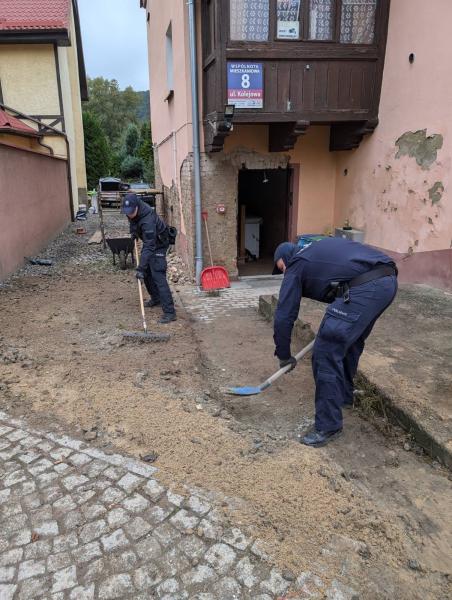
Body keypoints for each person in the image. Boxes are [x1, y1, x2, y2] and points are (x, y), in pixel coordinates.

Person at [272, 237, 398, 447]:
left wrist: (284, 355)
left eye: (281, 267)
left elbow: (284, 315)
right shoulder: (315, 254)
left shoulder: (297, 263)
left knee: (325, 353)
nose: (285, 273)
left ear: (287, 258)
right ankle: (343, 397)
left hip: (366, 286)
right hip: (387, 281)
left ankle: (328, 426)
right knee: (349, 343)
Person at [122, 193, 176, 324]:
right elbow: (132, 221)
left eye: (131, 212)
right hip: (150, 243)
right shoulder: (131, 210)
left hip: (159, 244)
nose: (129, 214)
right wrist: (134, 232)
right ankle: (156, 298)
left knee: (157, 274)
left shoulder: (148, 221)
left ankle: (170, 312)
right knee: (146, 273)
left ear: (137, 207)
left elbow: (149, 246)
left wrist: (140, 268)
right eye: (127, 212)